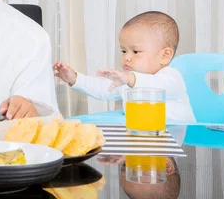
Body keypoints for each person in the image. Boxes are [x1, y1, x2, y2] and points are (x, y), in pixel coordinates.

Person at [53, 11, 195, 122]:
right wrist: (74, 78)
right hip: (143, 136)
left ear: (165, 56)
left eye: (135, 51)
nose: (126, 57)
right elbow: (103, 89)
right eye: (124, 51)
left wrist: (129, 78)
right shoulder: (129, 81)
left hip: (177, 138)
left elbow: (156, 87)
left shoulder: (171, 77)